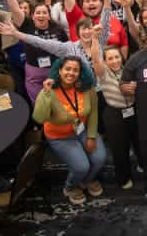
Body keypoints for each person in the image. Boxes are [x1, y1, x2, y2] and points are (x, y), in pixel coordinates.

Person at [33, 57, 106, 205]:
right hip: (60, 137)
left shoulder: (87, 88)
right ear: (59, 71)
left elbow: (93, 114)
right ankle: (70, 187)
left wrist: (91, 136)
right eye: (67, 69)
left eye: (75, 70)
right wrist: (45, 93)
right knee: (81, 167)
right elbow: (39, 118)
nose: (71, 73)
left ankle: (86, 181)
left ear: (80, 73)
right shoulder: (49, 91)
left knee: (100, 159)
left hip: (83, 131)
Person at [90, 40, 140, 190]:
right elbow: (95, 58)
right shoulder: (103, 73)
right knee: (119, 148)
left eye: (117, 57)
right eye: (110, 58)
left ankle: (143, 165)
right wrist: (94, 38)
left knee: (139, 141)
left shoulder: (129, 69)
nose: (114, 61)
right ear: (105, 61)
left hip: (134, 110)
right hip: (114, 114)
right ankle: (123, 178)